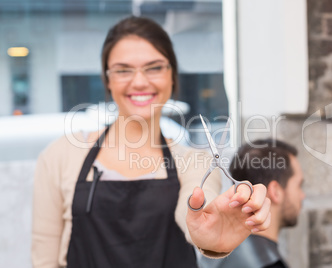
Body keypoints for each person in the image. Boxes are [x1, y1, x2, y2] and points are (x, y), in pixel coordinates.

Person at [31, 16, 271, 268]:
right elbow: (44, 260)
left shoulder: (195, 162)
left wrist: (210, 235)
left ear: (172, 76)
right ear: (107, 79)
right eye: (123, 70)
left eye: (154, 67)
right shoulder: (59, 156)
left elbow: (195, 209)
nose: (139, 81)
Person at [199, 139, 305, 268]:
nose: (302, 195)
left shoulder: (211, 259)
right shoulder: (269, 264)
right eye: (299, 185)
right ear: (276, 192)